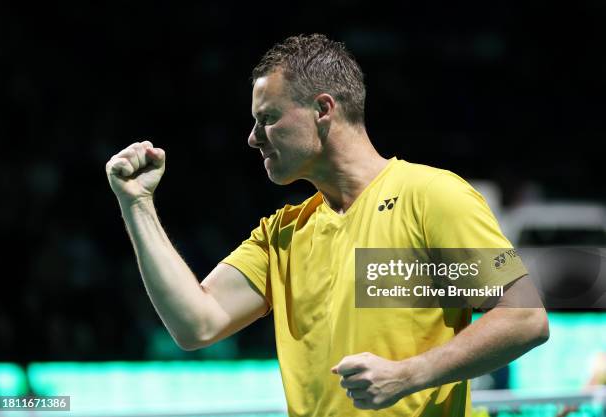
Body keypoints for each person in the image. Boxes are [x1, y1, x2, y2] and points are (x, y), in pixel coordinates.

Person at [106, 34, 549, 416]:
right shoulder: (283, 234)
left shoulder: (432, 197)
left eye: (268, 118)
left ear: (323, 108)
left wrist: (409, 375)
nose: (253, 137)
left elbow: (524, 317)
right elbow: (195, 324)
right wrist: (137, 205)